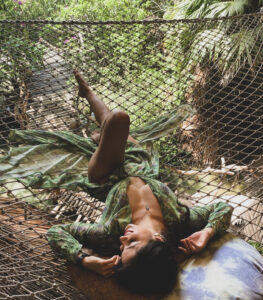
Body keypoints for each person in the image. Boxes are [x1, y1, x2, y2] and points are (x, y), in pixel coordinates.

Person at [46, 70, 233, 297]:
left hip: (107, 173)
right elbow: (223, 207)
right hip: (142, 165)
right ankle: (89, 99)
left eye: (123, 247)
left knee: (118, 119)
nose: (123, 239)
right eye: (131, 243)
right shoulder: (181, 221)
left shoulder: (108, 233)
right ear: (157, 241)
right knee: (111, 123)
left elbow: (56, 231)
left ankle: (102, 140)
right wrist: (208, 232)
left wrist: (83, 259)